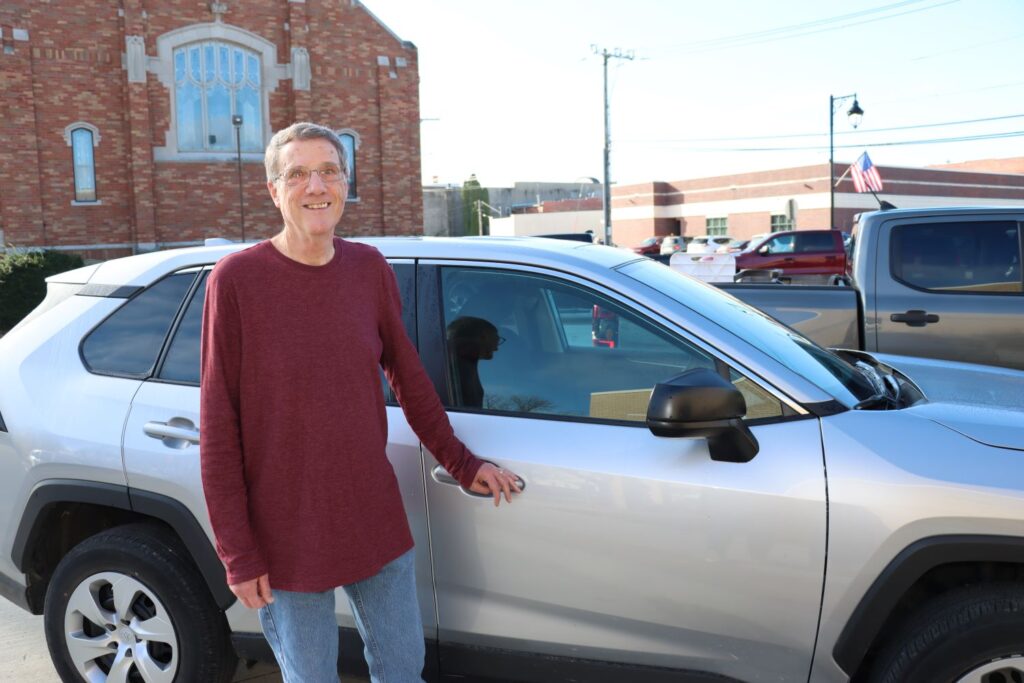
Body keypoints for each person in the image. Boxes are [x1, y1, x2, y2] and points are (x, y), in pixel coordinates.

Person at [200, 121, 521, 683]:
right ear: (274, 190)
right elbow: (218, 425)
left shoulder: (368, 269)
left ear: (345, 184)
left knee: (402, 671)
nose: (315, 185)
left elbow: (409, 378)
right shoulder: (238, 280)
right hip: (285, 530)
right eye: (297, 173)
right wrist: (238, 553)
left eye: (328, 170)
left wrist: (463, 463)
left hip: (371, 513)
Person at [446, 316, 502, 408]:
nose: (496, 348)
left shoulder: (463, 359)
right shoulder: (450, 360)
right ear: (484, 336)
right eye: (496, 339)